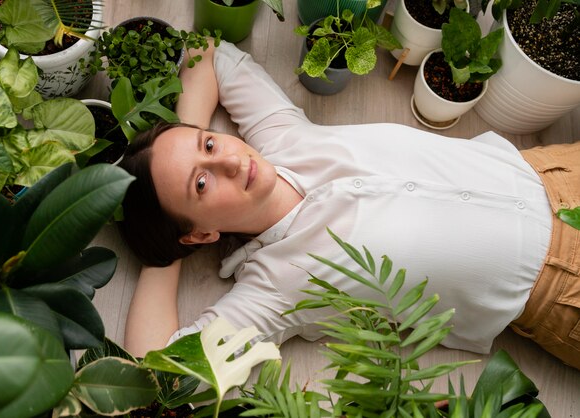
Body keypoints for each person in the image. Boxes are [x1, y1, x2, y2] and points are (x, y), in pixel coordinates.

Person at [118, 40, 580, 370]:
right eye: (201, 183)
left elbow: (207, 52)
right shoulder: (276, 287)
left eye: (212, 145)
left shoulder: (281, 137)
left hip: (555, 170)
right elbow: (157, 374)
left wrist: (182, 142)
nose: (232, 163)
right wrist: (167, 251)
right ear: (199, 234)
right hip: (562, 292)